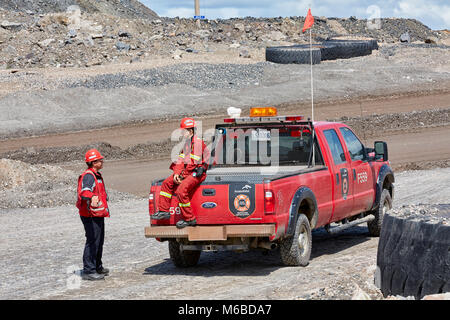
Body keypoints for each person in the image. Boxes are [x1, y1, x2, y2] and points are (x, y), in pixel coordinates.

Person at [152, 118, 209, 228]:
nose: (182, 133)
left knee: (181, 191)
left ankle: (190, 219)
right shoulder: (187, 144)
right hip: (186, 172)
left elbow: (193, 165)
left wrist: (182, 176)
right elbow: (180, 161)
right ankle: (164, 211)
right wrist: (177, 173)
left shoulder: (197, 144)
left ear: (191, 131)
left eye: (183, 131)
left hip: (197, 173)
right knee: (166, 183)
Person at [76, 149, 110, 280]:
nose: (102, 162)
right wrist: (92, 197)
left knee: (99, 240)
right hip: (89, 215)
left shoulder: (97, 175)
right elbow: (85, 192)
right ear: (93, 162)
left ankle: (97, 267)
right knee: (92, 241)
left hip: (97, 214)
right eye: (100, 160)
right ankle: (89, 270)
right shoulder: (89, 176)